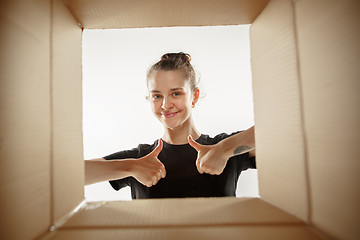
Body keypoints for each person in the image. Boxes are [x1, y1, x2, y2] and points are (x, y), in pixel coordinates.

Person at [85, 52, 256, 199]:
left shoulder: (225, 149)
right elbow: (71, 175)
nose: (166, 105)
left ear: (194, 96)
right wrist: (130, 167)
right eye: (157, 96)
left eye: (176, 93)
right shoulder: (141, 158)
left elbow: (276, 130)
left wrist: (226, 149)